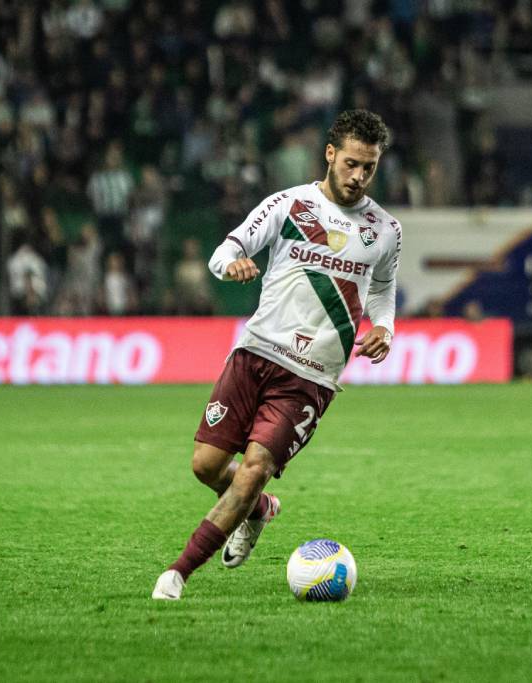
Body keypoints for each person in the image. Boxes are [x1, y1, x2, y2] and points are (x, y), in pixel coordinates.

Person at [153, 109, 401, 600]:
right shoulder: (288, 206)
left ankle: (177, 574)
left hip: (311, 377)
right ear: (330, 154)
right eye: (351, 163)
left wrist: (385, 328)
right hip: (254, 355)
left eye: (368, 168)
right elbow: (225, 251)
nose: (358, 176)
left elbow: (384, 290)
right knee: (206, 465)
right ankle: (260, 509)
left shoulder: (384, 229)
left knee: (253, 468)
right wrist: (233, 266)